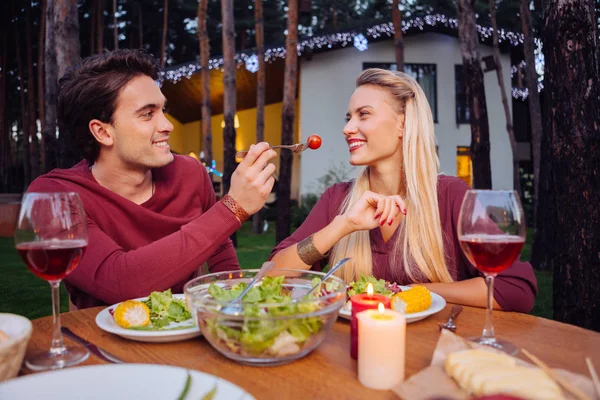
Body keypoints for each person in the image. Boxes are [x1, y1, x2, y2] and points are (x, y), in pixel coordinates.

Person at [270, 68, 537, 313]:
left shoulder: (450, 196)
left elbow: (515, 289)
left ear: (403, 123)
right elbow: (270, 279)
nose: (347, 128)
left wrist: (407, 293)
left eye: (363, 114)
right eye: (348, 117)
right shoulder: (337, 199)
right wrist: (342, 226)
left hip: (434, 353)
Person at [27, 49, 277, 309]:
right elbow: (119, 281)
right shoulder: (55, 195)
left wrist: (236, 306)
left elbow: (219, 250)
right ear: (102, 132)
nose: (167, 125)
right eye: (148, 114)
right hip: (100, 342)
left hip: (184, 335)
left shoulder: (191, 173)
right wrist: (232, 208)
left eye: (162, 110)